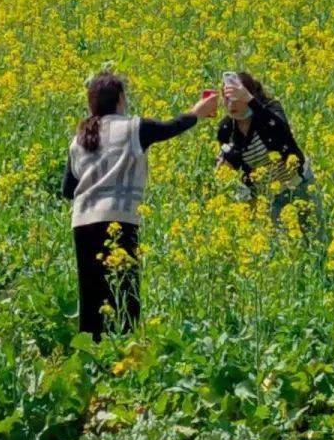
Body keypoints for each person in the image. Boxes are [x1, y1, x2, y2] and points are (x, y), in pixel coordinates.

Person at [61, 71, 218, 341]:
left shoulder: (80, 138)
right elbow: (171, 127)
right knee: (125, 291)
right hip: (119, 219)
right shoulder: (134, 128)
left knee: (91, 295)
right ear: (121, 99)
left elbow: (67, 190)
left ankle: (91, 358)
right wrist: (198, 112)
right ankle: (125, 353)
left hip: (83, 221)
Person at [216, 71, 323, 242]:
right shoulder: (227, 128)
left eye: (237, 98)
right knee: (281, 252)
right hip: (269, 198)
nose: (231, 104)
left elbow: (281, 131)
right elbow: (234, 162)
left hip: (300, 185)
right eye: (227, 98)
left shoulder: (270, 109)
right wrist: (224, 169)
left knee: (315, 241)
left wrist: (252, 102)